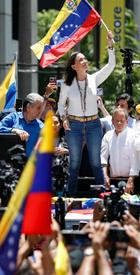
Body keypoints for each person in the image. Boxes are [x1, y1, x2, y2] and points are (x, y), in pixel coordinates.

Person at [57, 31, 115, 194]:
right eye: (80, 59)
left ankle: (104, 196)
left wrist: (110, 46)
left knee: (96, 162)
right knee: (74, 163)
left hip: (93, 124)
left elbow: (110, 66)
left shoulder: (94, 78)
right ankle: (71, 197)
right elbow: (61, 104)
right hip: (74, 125)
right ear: (73, 66)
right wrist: (63, 118)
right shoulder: (67, 84)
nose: (85, 61)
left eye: (85, 59)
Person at [100, 108, 140, 194]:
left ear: (126, 120)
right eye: (116, 120)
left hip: (130, 180)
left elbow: (135, 160)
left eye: (122, 121)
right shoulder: (108, 135)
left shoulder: (133, 135)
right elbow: (103, 158)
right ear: (112, 121)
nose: (119, 123)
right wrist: (105, 176)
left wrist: (131, 180)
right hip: (112, 180)